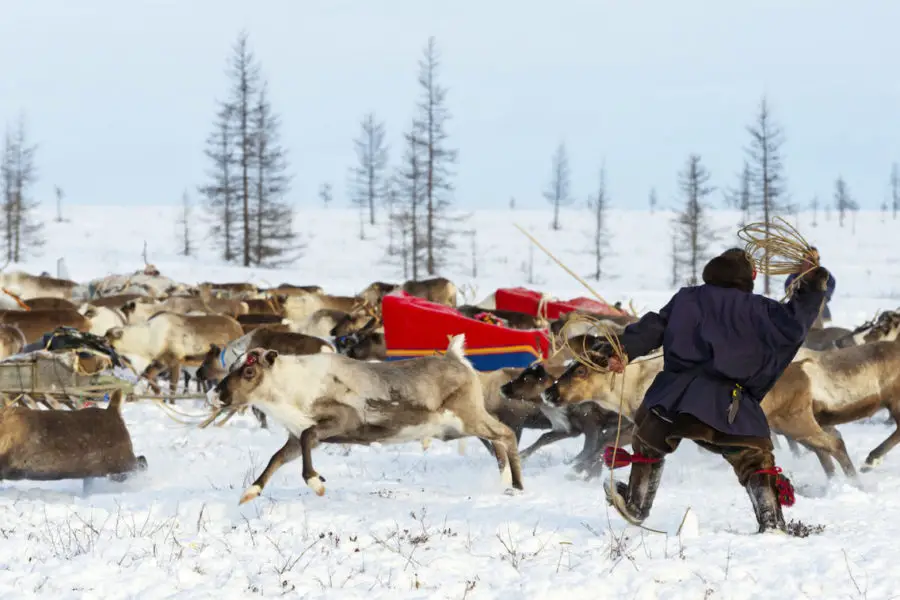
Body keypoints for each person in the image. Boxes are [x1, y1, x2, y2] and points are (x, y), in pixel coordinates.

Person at [595, 247, 830, 534]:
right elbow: (794, 324)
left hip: (674, 397)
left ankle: (636, 503)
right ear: (749, 277)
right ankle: (771, 523)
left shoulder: (686, 299)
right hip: (730, 404)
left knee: (648, 441)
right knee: (754, 459)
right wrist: (812, 282)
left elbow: (653, 327)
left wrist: (622, 350)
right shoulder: (760, 308)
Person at [784, 246, 835, 323]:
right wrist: (792, 291)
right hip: (800, 303)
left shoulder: (822, 272)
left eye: (816, 259)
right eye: (810, 259)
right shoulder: (798, 272)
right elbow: (788, 286)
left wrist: (825, 295)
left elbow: (831, 283)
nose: (813, 262)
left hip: (816, 304)